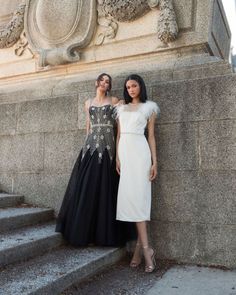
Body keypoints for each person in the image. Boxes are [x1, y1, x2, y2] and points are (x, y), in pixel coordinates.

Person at [56, 73, 135, 246]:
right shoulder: (87, 103)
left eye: (108, 82)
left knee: (106, 188)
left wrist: (119, 153)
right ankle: (84, 231)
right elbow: (88, 126)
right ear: (96, 82)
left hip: (107, 146)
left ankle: (103, 234)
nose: (104, 83)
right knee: (87, 187)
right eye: (102, 80)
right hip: (90, 147)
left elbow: (120, 127)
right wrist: (86, 145)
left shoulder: (115, 101)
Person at [116, 74, 160, 272]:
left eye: (134, 85)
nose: (131, 89)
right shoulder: (121, 108)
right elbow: (118, 135)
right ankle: (143, 249)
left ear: (140, 86)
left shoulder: (149, 108)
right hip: (125, 156)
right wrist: (117, 158)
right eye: (128, 87)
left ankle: (144, 250)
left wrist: (154, 163)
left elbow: (150, 137)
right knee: (131, 202)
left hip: (141, 156)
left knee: (140, 202)